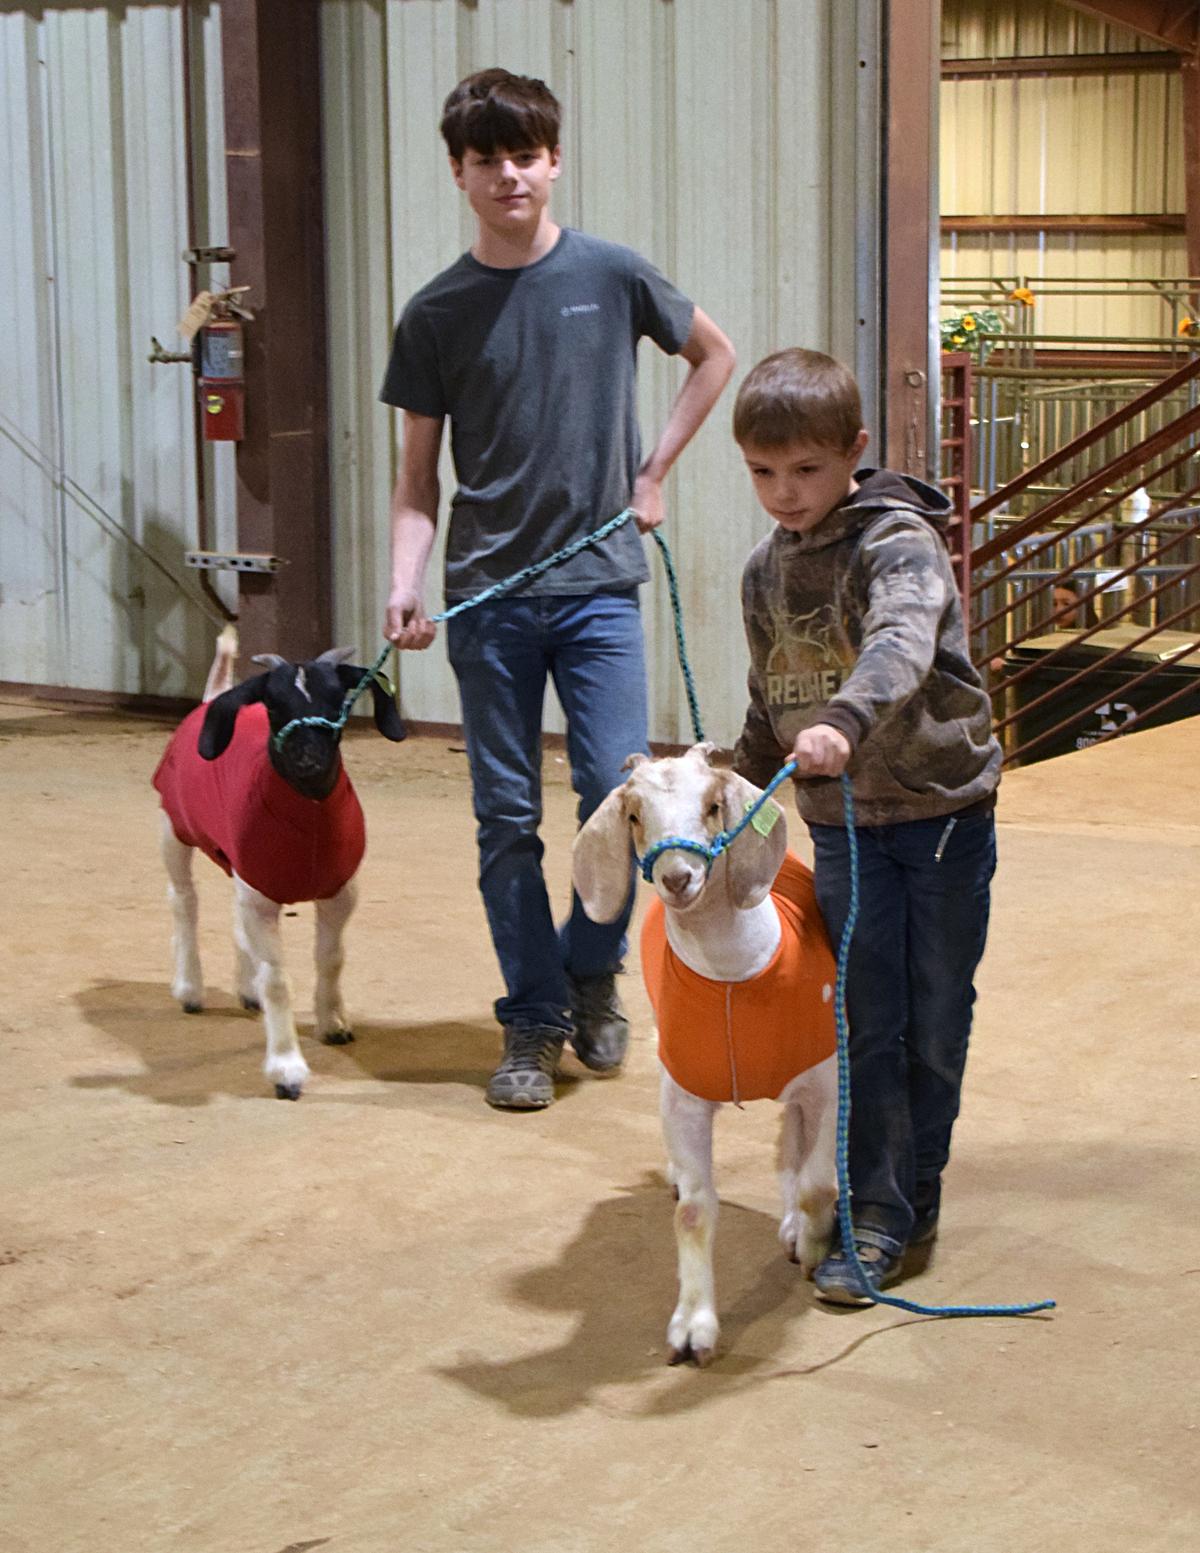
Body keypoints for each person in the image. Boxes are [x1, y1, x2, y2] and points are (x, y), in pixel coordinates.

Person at [380, 69, 735, 1111]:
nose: (509, 175)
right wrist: (404, 584)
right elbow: (415, 484)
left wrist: (654, 470)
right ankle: (532, 1017)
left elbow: (713, 356)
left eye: (526, 154)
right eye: (486, 159)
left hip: (597, 595)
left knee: (617, 799)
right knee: (504, 818)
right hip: (487, 602)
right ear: (458, 171)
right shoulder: (436, 313)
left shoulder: (612, 274)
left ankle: (590, 968)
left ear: (555, 158)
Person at [730, 348, 1002, 1304]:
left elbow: (900, 640)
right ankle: (877, 1213)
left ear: (852, 451)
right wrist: (726, 783)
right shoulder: (763, 572)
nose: (785, 492)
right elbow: (773, 703)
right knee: (865, 1017)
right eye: (763, 472)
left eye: (805, 469)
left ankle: (916, 1188)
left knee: (933, 1011)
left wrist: (843, 721)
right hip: (843, 826)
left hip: (939, 815)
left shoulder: (899, 542)